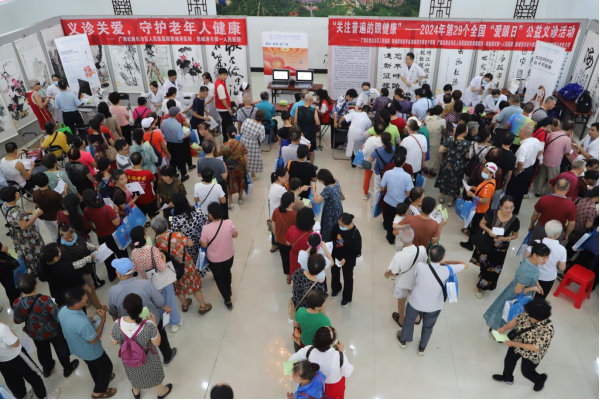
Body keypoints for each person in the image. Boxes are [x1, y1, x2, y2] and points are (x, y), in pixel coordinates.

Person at [397, 245, 469, 356]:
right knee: (428, 326)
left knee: (409, 320)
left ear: (430, 255)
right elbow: (466, 265)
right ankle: (422, 348)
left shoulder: (420, 266)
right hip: (434, 306)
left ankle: (403, 341)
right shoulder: (447, 270)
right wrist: (450, 262)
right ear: (443, 257)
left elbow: (416, 276)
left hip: (416, 301)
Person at [108, 258, 179, 367]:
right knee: (162, 338)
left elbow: (113, 311)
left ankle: (143, 361)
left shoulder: (113, 291)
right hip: (152, 320)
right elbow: (159, 301)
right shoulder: (145, 283)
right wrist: (166, 307)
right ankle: (167, 356)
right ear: (133, 270)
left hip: (131, 327)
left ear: (118, 274)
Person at [13, 273, 79, 378]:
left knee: (42, 351)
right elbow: (58, 316)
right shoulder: (44, 300)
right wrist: (56, 306)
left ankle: (47, 369)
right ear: (36, 285)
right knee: (61, 348)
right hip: (53, 330)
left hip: (35, 332)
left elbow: (17, 320)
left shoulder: (17, 302)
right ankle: (67, 368)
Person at [111, 293, 173, 399]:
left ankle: (136, 393)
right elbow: (156, 343)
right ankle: (161, 393)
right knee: (154, 375)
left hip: (129, 358)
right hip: (148, 358)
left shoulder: (117, 323)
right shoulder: (148, 324)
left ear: (126, 309)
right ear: (141, 309)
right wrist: (154, 323)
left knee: (132, 375)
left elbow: (114, 342)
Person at [59, 287, 117, 399]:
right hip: (91, 350)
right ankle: (98, 391)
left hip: (77, 347)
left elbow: (72, 324)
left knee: (93, 365)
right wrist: (103, 320)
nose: (87, 297)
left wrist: (87, 320)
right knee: (106, 367)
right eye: (84, 296)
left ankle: (101, 379)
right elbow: (94, 339)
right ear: (76, 304)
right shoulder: (81, 323)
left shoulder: (64, 310)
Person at [152, 216, 212, 315]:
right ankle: (203, 306)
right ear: (166, 224)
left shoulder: (157, 239)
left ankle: (185, 304)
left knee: (178, 286)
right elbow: (191, 243)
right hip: (186, 265)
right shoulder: (178, 235)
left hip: (172, 267)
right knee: (194, 285)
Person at [484, 242, 549, 331]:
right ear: (534, 255)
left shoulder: (531, 261)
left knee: (507, 312)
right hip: (516, 295)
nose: (546, 260)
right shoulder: (527, 270)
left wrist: (538, 285)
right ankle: (496, 329)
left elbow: (533, 276)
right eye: (543, 258)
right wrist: (534, 288)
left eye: (547, 257)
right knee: (507, 312)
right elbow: (517, 290)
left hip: (520, 292)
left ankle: (499, 328)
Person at [129, 226, 183, 333]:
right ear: (144, 236)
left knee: (158, 303)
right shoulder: (152, 250)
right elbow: (162, 268)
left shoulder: (133, 252)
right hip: (162, 281)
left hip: (148, 283)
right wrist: (163, 257)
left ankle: (163, 320)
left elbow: (135, 268)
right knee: (170, 301)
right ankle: (174, 322)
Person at [493, 298, 554, 392]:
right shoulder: (529, 313)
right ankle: (507, 377)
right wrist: (505, 328)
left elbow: (536, 348)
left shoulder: (547, 329)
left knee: (526, 372)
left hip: (531, 352)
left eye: (531, 317)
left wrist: (515, 344)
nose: (528, 317)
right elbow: (516, 320)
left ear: (539, 317)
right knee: (509, 361)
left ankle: (540, 379)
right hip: (517, 342)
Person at [469, 194, 521, 297]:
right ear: (500, 206)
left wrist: (504, 239)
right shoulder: (491, 213)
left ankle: (480, 286)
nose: (509, 210)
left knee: (492, 268)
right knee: (484, 264)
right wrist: (489, 231)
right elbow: (481, 224)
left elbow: (515, 235)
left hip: (500, 249)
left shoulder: (515, 221)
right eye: (506, 207)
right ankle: (481, 277)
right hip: (486, 242)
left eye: (511, 207)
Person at [0, 317, 60, 400]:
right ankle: (44, 396)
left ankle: (23, 396)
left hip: (2, 362)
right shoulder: (2, 328)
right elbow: (15, 343)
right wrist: (8, 328)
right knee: (35, 375)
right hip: (17, 356)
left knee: (13, 381)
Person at [289, 326, 353, 399]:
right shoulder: (339, 356)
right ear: (332, 342)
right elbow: (347, 372)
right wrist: (342, 352)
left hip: (314, 385)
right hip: (332, 387)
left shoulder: (309, 350)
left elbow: (291, 360)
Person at [385, 226, 428, 326]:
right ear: (413, 236)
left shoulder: (399, 255)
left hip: (402, 283)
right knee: (415, 300)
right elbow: (424, 262)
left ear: (400, 240)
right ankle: (416, 318)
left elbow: (394, 272)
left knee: (401, 302)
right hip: (416, 281)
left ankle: (401, 320)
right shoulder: (422, 249)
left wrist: (387, 274)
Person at [200, 203, 238, 310]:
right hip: (229, 255)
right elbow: (235, 235)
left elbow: (204, 245)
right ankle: (229, 290)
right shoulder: (229, 222)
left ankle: (227, 299)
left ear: (210, 215)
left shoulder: (206, 228)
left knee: (219, 278)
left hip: (214, 259)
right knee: (227, 272)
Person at [82, 190, 127, 282]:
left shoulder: (86, 210)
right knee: (122, 254)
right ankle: (126, 271)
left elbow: (89, 223)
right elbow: (117, 222)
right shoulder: (106, 208)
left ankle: (112, 275)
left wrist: (96, 230)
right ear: (96, 197)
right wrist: (116, 211)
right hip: (115, 235)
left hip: (102, 237)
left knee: (108, 257)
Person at [58, 223, 104, 310]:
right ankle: (100, 308)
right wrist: (86, 259)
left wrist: (93, 247)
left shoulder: (77, 235)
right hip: (79, 273)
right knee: (91, 290)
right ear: (61, 236)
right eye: (66, 238)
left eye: (71, 236)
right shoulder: (63, 249)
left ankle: (87, 302)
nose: (70, 240)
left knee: (87, 291)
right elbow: (71, 266)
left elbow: (84, 243)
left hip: (87, 267)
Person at [1, 186, 44, 272]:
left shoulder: (4, 206)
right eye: (16, 192)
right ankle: (39, 269)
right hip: (26, 235)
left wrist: (25, 214)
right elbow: (24, 226)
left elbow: (13, 217)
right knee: (34, 251)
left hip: (16, 233)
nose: (18, 193)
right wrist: (36, 215)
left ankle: (33, 268)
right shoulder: (17, 211)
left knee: (25, 251)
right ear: (13, 197)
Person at [460, 163, 498, 250]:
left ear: (492, 174)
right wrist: (473, 188)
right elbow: (481, 188)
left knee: (474, 228)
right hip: (478, 208)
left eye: (486, 172)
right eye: (483, 170)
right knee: (474, 227)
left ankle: (470, 244)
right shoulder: (489, 180)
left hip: (480, 210)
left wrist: (473, 195)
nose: (483, 172)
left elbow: (485, 201)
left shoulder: (489, 186)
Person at [506, 126, 543, 215]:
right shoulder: (536, 140)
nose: (519, 133)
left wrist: (517, 171)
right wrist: (534, 156)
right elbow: (541, 150)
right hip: (530, 169)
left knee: (512, 191)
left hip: (521, 170)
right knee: (521, 191)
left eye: (520, 131)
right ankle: (515, 210)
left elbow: (521, 162)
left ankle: (507, 210)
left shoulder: (524, 147)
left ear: (525, 135)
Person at [526, 220, 567, 299]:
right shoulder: (562, 249)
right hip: (548, 278)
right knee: (539, 300)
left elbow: (525, 257)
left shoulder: (536, 242)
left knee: (525, 296)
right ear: (557, 235)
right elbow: (562, 268)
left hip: (532, 274)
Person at [529, 177, 577, 244]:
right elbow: (571, 224)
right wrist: (566, 234)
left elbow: (535, 214)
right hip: (556, 233)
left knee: (534, 247)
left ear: (555, 187)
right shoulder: (571, 205)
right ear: (568, 189)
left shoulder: (544, 199)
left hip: (541, 229)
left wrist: (531, 225)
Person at [37, 243, 86, 307]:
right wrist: (87, 289)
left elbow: (42, 278)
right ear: (55, 258)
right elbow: (78, 280)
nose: (61, 252)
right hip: (72, 295)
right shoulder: (65, 267)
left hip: (57, 296)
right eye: (59, 251)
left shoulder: (42, 267)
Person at [533, 121, 574, 197]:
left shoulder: (552, 133)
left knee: (542, 175)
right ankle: (547, 195)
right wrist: (570, 139)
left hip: (545, 157)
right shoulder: (567, 139)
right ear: (570, 130)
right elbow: (568, 151)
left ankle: (538, 191)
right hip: (555, 161)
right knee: (552, 179)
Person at [329, 213, 362, 308]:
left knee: (347, 277)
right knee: (334, 272)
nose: (339, 226)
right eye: (339, 223)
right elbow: (332, 236)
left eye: (342, 225)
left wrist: (346, 259)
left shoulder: (355, 234)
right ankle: (336, 288)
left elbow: (357, 251)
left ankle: (346, 297)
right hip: (336, 254)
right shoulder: (338, 226)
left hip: (348, 259)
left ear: (348, 224)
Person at [381, 153, 414, 244]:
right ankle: (401, 238)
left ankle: (390, 238)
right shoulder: (407, 176)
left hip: (389, 202)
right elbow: (408, 193)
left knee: (389, 220)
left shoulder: (387, 173)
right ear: (404, 163)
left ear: (394, 161)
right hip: (402, 204)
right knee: (401, 221)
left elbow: (382, 188)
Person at [435, 124, 470, 206]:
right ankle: (450, 201)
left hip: (448, 164)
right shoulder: (467, 143)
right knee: (455, 183)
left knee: (445, 179)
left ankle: (441, 197)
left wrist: (450, 150)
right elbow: (467, 156)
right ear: (464, 132)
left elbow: (440, 150)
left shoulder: (450, 139)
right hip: (459, 166)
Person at [310, 169, 343, 242]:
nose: (320, 182)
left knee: (329, 229)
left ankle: (328, 243)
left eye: (320, 181)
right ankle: (339, 241)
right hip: (338, 209)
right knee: (337, 227)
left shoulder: (328, 189)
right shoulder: (336, 182)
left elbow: (316, 201)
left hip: (330, 212)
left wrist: (314, 190)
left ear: (324, 180)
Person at [197, 140, 229, 214]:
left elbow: (199, 174)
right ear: (213, 148)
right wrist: (225, 166)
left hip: (206, 184)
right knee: (223, 205)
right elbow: (224, 177)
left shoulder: (200, 161)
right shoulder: (219, 162)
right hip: (219, 184)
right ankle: (223, 218)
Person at [272, 192, 298, 284]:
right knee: (293, 259)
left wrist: (276, 235)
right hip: (291, 242)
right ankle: (294, 275)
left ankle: (288, 276)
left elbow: (273, 224)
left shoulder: (276, 211)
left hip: (280, 240)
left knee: (285, 259)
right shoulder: (295, 215)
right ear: (291, 203)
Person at [220, 126, 248, 206]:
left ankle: (231, 202)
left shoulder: (223, 146)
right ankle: (240, 199)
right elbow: (245, 156)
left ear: (227, 134)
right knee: (241, 182)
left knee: (229, 184)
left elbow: (221, 159)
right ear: (236, 134)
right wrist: (246, 166)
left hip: (229, 169)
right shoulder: (242, 144)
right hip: (240, 167)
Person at [31, 173, 63, 241]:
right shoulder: (54, 194)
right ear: (47, 180)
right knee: (62, 232)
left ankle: (55, 244)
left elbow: (36, 206)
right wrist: (65, 192)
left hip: (46, 218)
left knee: (52, 233)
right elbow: (63, 203)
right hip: (58, 217)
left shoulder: (35, 193)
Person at [162, 106, 190, 182]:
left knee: (172, 160)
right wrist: (187, 135)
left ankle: (173, 173)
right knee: (181, 160)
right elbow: (180, 137)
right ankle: (183, 175)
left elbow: (162, 133)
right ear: (177, 114)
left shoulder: (164, 122)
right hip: (178, 145)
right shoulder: (177, 124)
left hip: (168, 144)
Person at [126, 152, 158, 217]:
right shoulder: (147, 173)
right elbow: (154, 179)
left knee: (141, 218)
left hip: (137, 200)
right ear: (141, 160)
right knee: (153, 217)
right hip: (149, 200)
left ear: (131, 161)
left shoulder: (127, 172)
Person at [366, 132, 395, 202]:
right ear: (390, 139)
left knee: (377, 189)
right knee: (389, 188)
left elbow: (370, 159)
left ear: (381, 140)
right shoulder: (394, 149)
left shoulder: (378, 150)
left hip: (379, 172)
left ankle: (376, 204)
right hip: (391, 172)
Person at [241, 109, 267, 179]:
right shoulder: (261, 127)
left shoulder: (247, 120)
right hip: (253, 143)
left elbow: (241, 130)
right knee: (252, 158)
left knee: (242, 156)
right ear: (263, 118)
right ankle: (252, 174)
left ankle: (243, 171)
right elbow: (261, 139)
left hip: (243, 141)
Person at [295, 94, 320, 164]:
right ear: (311, 100)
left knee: (300, 149)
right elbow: (317, 123)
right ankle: (311, 165)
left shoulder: (298, 108)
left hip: (300, 133)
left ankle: (301, 163)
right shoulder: (313, 110)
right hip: (310, 133)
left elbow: (295, 122)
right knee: (311, 151)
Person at [423, 105, 446, 177]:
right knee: (434, 156)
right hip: (436, 140)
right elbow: (444, 130)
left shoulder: (427, 118)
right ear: (441, 112)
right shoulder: (442, 121)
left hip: (426, 139)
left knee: (426, 152)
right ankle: (431, 170)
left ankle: (425, 167)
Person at [215, 68, 234, 133]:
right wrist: (228, 109)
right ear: (219, 74)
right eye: (223, 75)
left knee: (224, 124)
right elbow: (222, 99)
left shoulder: (220, 82)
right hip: (223, 108)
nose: (225, 76)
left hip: (222, 108)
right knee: (229, 125)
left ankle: (225, 137)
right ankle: (229, 138)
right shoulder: (220, 85)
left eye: (226, 75)